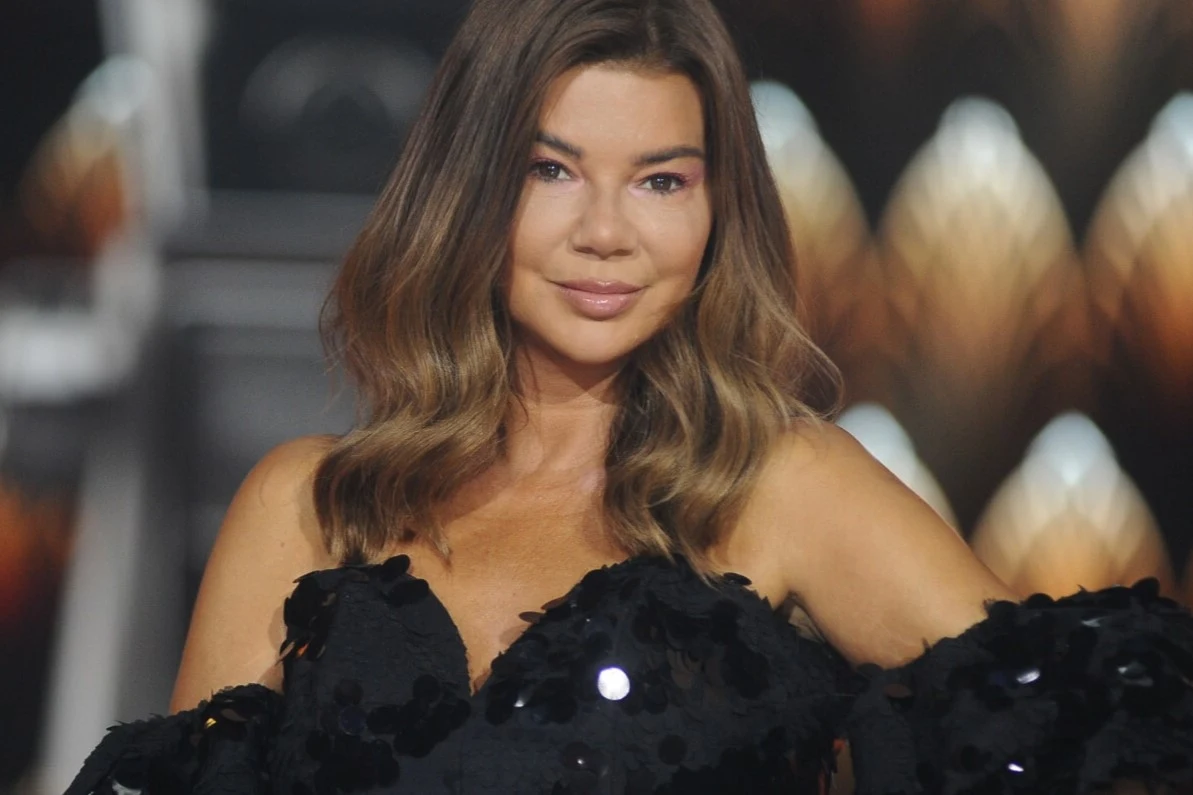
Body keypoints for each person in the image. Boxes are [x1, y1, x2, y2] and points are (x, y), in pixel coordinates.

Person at [68, 0, 1193, 792]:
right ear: (466, 190)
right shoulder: (308, 506)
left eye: (660, 181)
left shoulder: (781, 488)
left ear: (714, 214)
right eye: (550, 170)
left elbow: (1087, 726)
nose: (605, 232)